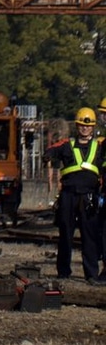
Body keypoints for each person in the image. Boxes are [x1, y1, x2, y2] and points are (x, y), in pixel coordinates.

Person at [47, 106, 104, 281]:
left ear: (93, 127)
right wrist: (47, 157)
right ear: (77, 126)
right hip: (68, 196)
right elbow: (50, 151)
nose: (85, 128)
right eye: (81, 125)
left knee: (89, 236)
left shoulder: (100, 146)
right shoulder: (66, 145)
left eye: (88, 126)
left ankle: (91, 274)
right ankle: (63, 272)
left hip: (89, 196)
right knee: (65, 234)